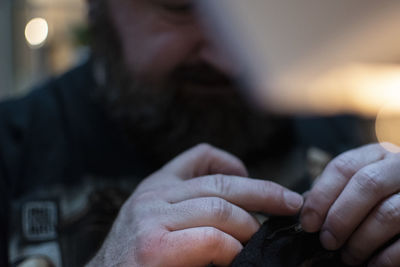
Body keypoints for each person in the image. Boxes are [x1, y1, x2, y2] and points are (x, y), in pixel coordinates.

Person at [1, 0, 399, 266]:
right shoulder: (13, 149)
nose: (227, 58)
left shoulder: (345, 121)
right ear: (100, 9)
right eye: (178, 7)